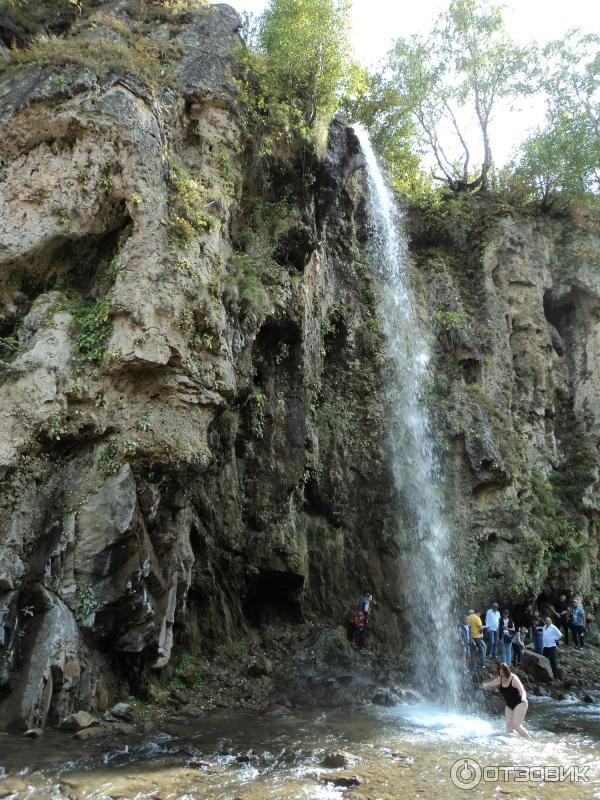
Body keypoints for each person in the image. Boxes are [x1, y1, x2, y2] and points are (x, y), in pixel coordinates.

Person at [482, 663, 530, 737]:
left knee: (516, 726)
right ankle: (510, 744)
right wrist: (485, 685)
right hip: (509, 705)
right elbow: (493, 682)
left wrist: (524, 697)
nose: (501, 674)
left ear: (507, 671)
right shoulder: (500, 678)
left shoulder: (514, 678)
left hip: (520, 703)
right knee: (508, 726)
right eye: (500, 672)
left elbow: (522, 690)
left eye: (503, 672)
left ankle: (529, 739)